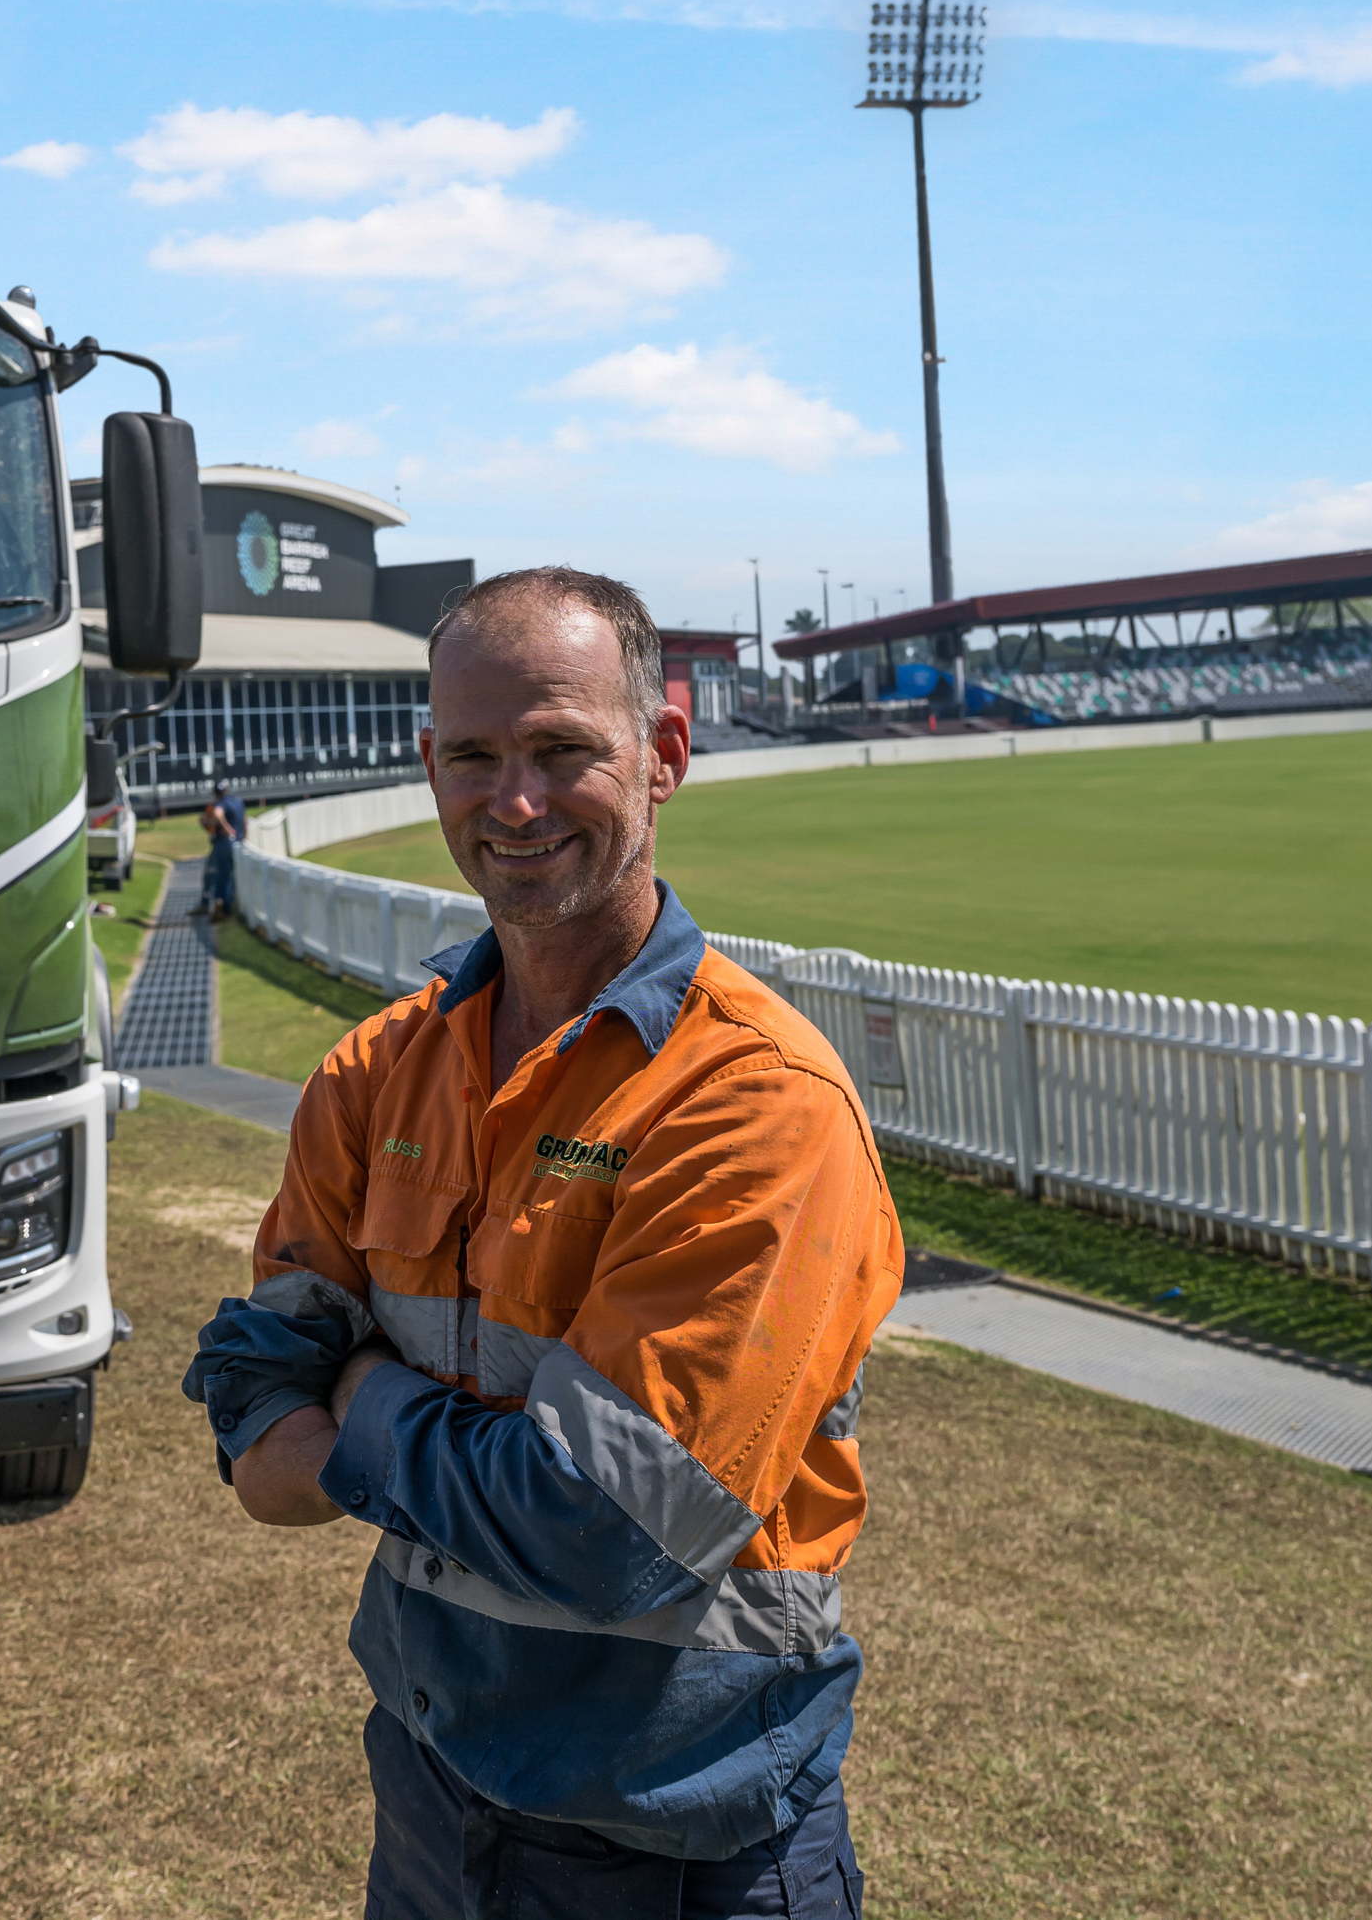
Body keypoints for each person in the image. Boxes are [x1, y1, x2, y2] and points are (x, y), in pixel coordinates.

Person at [182, 566, 903, 1919]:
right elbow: (248, 1437)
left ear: (664, 755)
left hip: (690, 1848)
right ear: (429, 768)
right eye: (474, 755)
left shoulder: (755, 1104)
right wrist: (368, 1426)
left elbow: (609, 1528)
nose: (513, 801)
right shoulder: (376, 1074)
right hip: (431, 1799)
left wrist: (355, 1397)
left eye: (562, 749)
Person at [200, 779, 243, 920]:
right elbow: (246, 821)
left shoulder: (220, 803)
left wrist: (227, 829)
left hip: (224, 843)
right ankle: (228, 906)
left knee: (221, 876)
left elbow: (218, 815)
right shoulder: (238, 801)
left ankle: (223, 909)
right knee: (232, 875)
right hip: (238, 843)